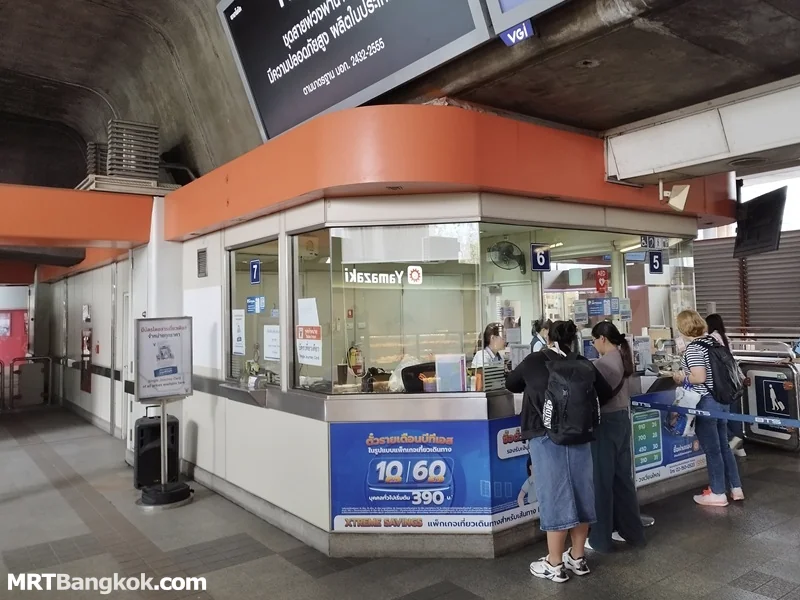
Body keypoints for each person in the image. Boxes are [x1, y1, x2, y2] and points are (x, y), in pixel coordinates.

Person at [507, 320, 613, 583]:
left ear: (548, 338)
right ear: (573, 339)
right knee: (582, 494)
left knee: (554, 497)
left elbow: (511, 383)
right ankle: (577, 557)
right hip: (580, 436)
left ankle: (554, 563)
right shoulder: (583, 363)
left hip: (545, 437)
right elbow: (605, 392)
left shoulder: (533, 361)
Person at [673, 310, 744, 506]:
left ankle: (718, 492)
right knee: (724, 446)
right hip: (722, 401)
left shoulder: (694, 349)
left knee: (713, 450)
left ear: (683, 328)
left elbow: (699, 377)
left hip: (706, 402)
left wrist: (681, 377)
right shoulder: (713, 342)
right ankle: (735, 487)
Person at [586, 321, 646, 553]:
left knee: (601, 482)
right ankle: (632, 532)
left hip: (606, 424)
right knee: (623, 480)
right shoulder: (624, 358)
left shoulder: (602, 364)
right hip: (622, 420)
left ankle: (600, 539)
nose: (593, 345)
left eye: (594, 340)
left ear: (602, 338)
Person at [706, 313, 747, 458]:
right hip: (732, 381)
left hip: (721, 382)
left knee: (721, 415)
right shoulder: (726, 338)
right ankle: (739, 446)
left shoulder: (711, 339)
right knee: (733, 414)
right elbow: (732, 360)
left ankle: (732, 439)